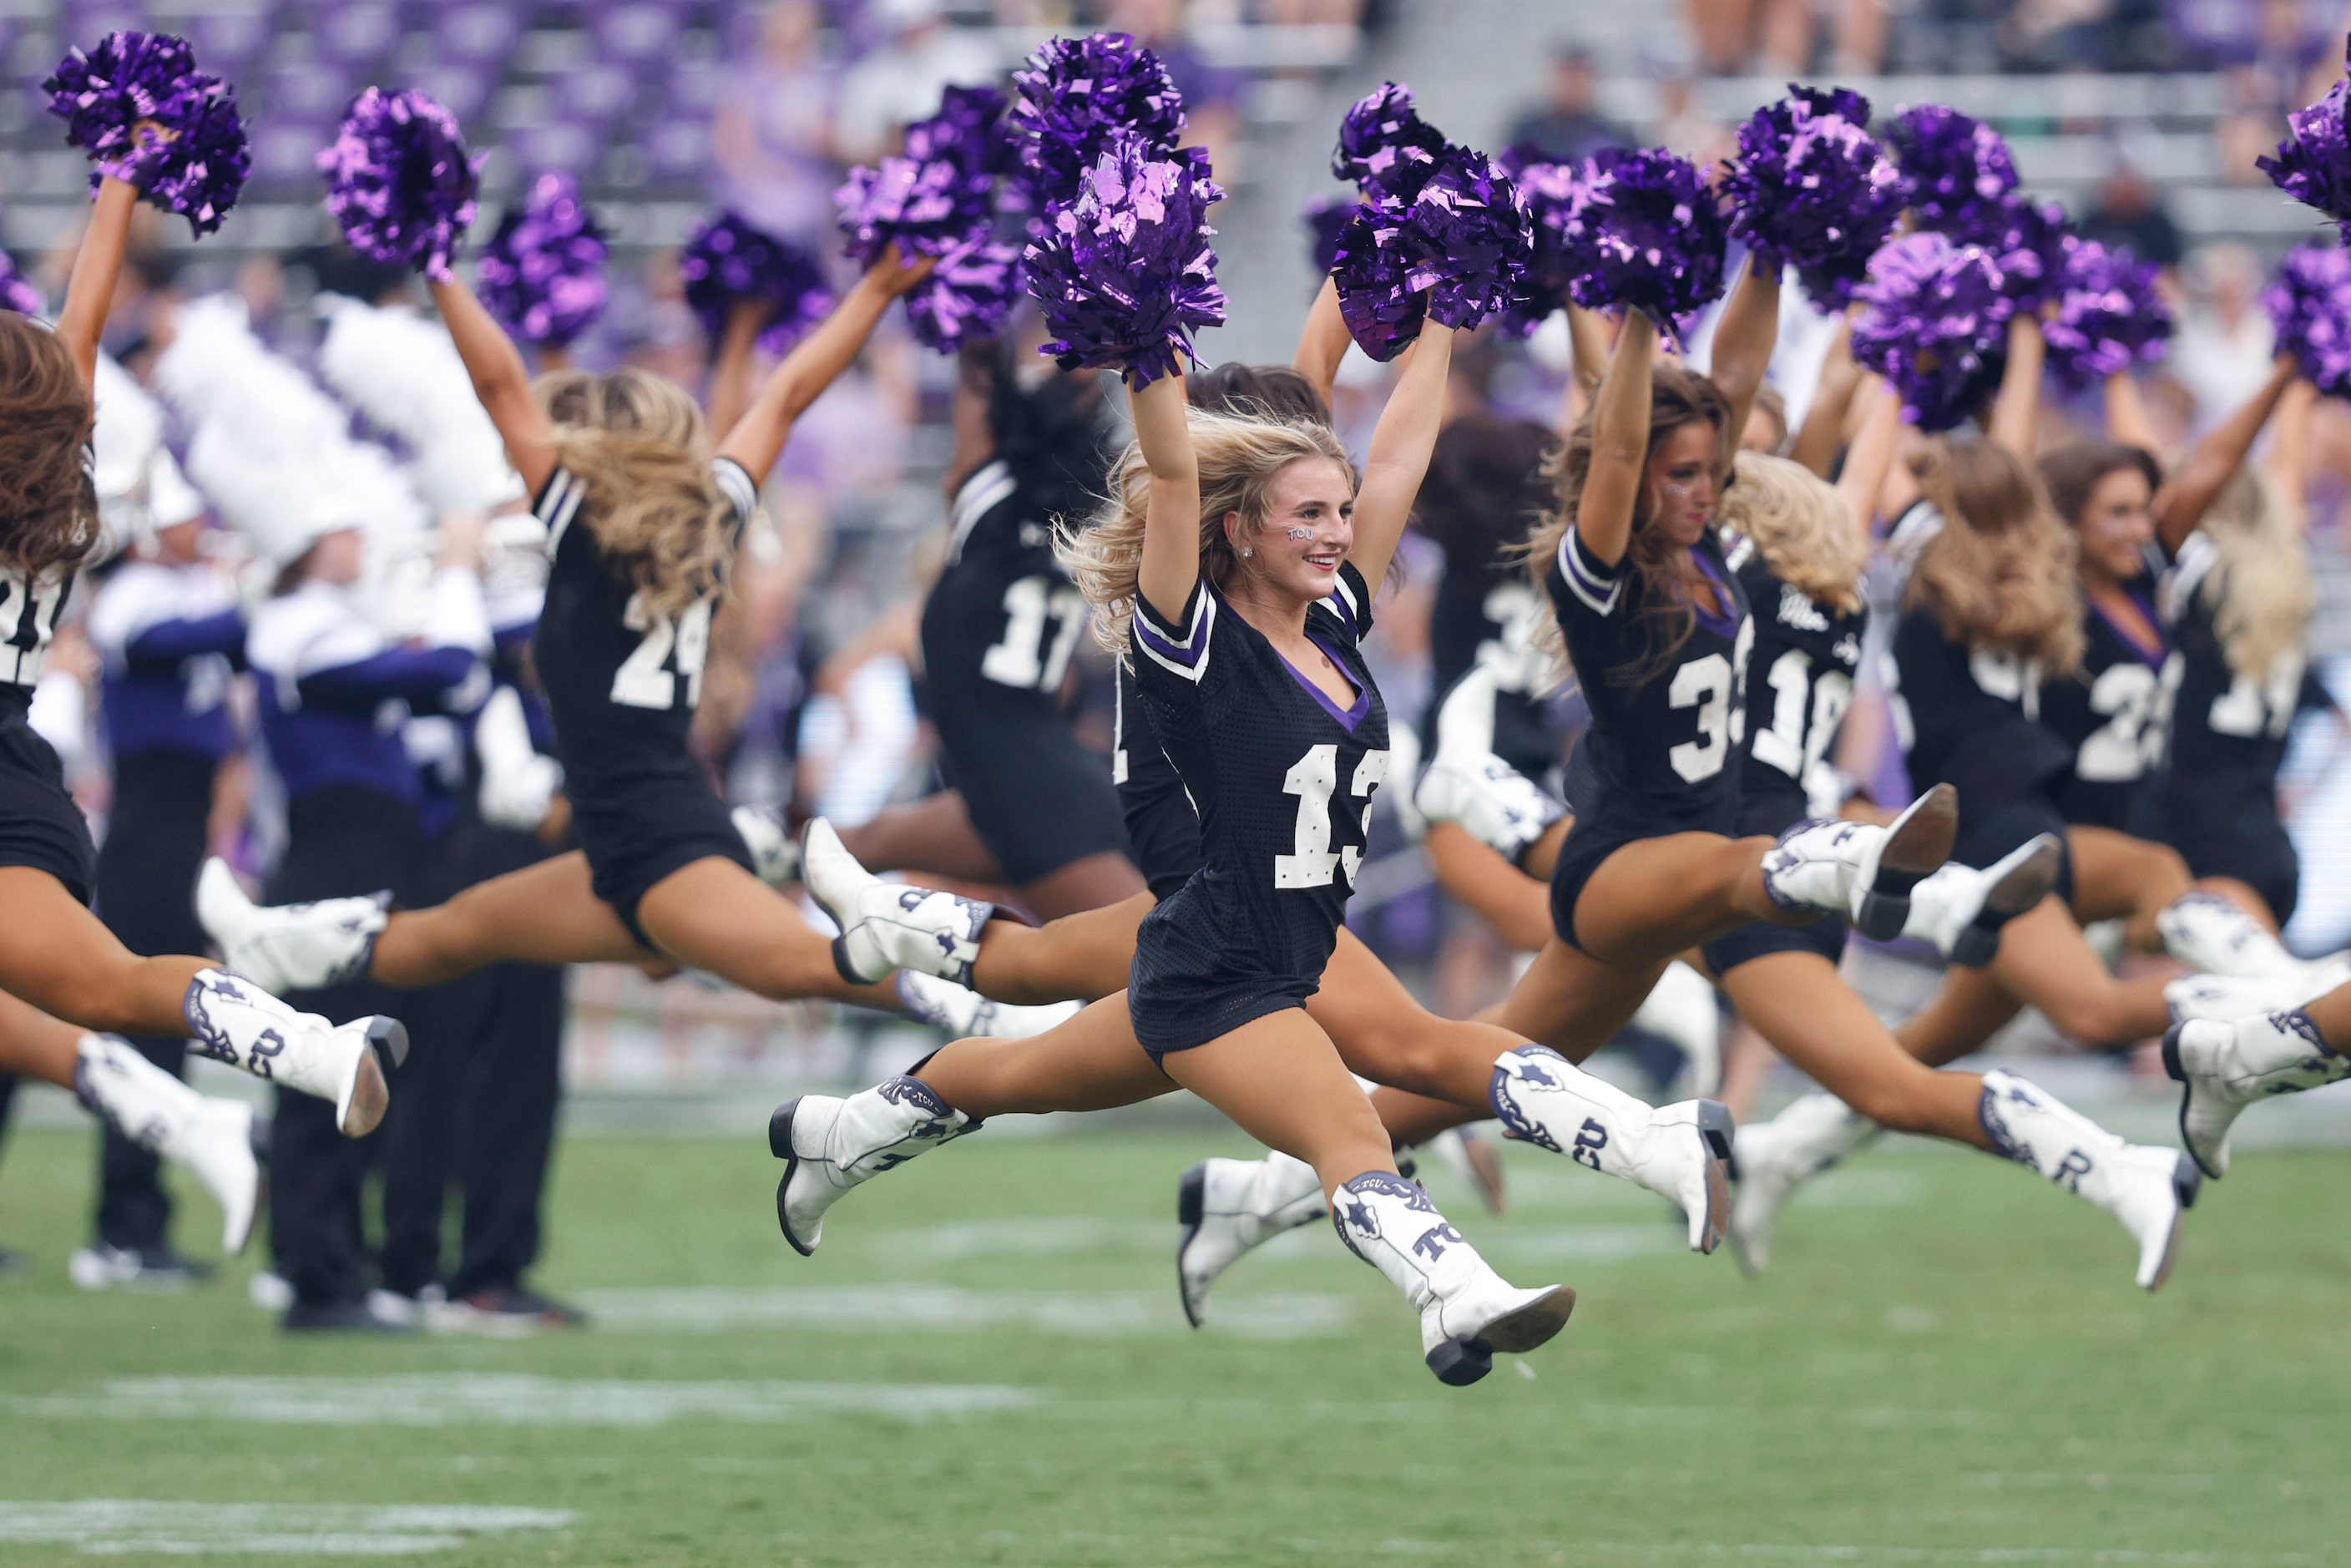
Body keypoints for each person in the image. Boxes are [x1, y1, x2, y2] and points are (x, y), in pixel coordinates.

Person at [772, 316, 1596, 1385]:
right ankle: (1456, 1295)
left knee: (1023, 1074)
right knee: (1345, 1126)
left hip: (1264, 948)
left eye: (1340, 511)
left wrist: (1437, 315)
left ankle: (841, 1136)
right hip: (1219, 969)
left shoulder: (1329, 617)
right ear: (1239, 529)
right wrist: (1146, 328)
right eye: (1309, 513)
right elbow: (1171, 466)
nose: (1338, 530)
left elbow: (1397, 451)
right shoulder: (1189, 631)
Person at [196, 250, 1005, 1027]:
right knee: (457, 930)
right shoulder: (713, 512)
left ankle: (995, 1010)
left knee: (804, 967)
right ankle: (272, 945)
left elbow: (498, 383)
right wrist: (872, 291)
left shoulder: (583, 535)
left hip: (662, 841)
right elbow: (786, 396)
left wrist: (437, 262)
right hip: (620, 838)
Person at [0, 159, 403, 1182]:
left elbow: (73, 338)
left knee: (100, 986)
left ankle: (171, 1107)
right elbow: (77, 335)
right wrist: (122, 184)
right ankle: (304, 1048)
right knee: (112, 982)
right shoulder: (57, 473)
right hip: (25, 782)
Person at [73, 363, 245, 1290]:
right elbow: (186, 645)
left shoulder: (184, 596)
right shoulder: (139, 597)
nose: (198, 530)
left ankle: (142, 1221)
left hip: (176, 838)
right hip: (143, 835)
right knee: (140, 1022)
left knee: (169, 1027)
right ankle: (121, 1225)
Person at [1504, 44, 1634, 164]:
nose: (1572, 86)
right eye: (1568, 77)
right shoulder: (1527, 133)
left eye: (1579, 77)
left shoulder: (1616, 134)